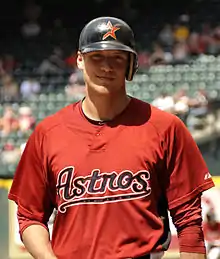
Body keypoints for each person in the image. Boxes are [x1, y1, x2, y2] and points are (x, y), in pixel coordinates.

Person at [8, 16, 214, 259]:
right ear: (80, 60)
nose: (107, 67)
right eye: (97, 57)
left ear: (131, 64)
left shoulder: (166, 128)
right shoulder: (48, 133)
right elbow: (30, 216)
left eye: (117, 57)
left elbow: (189, 221)